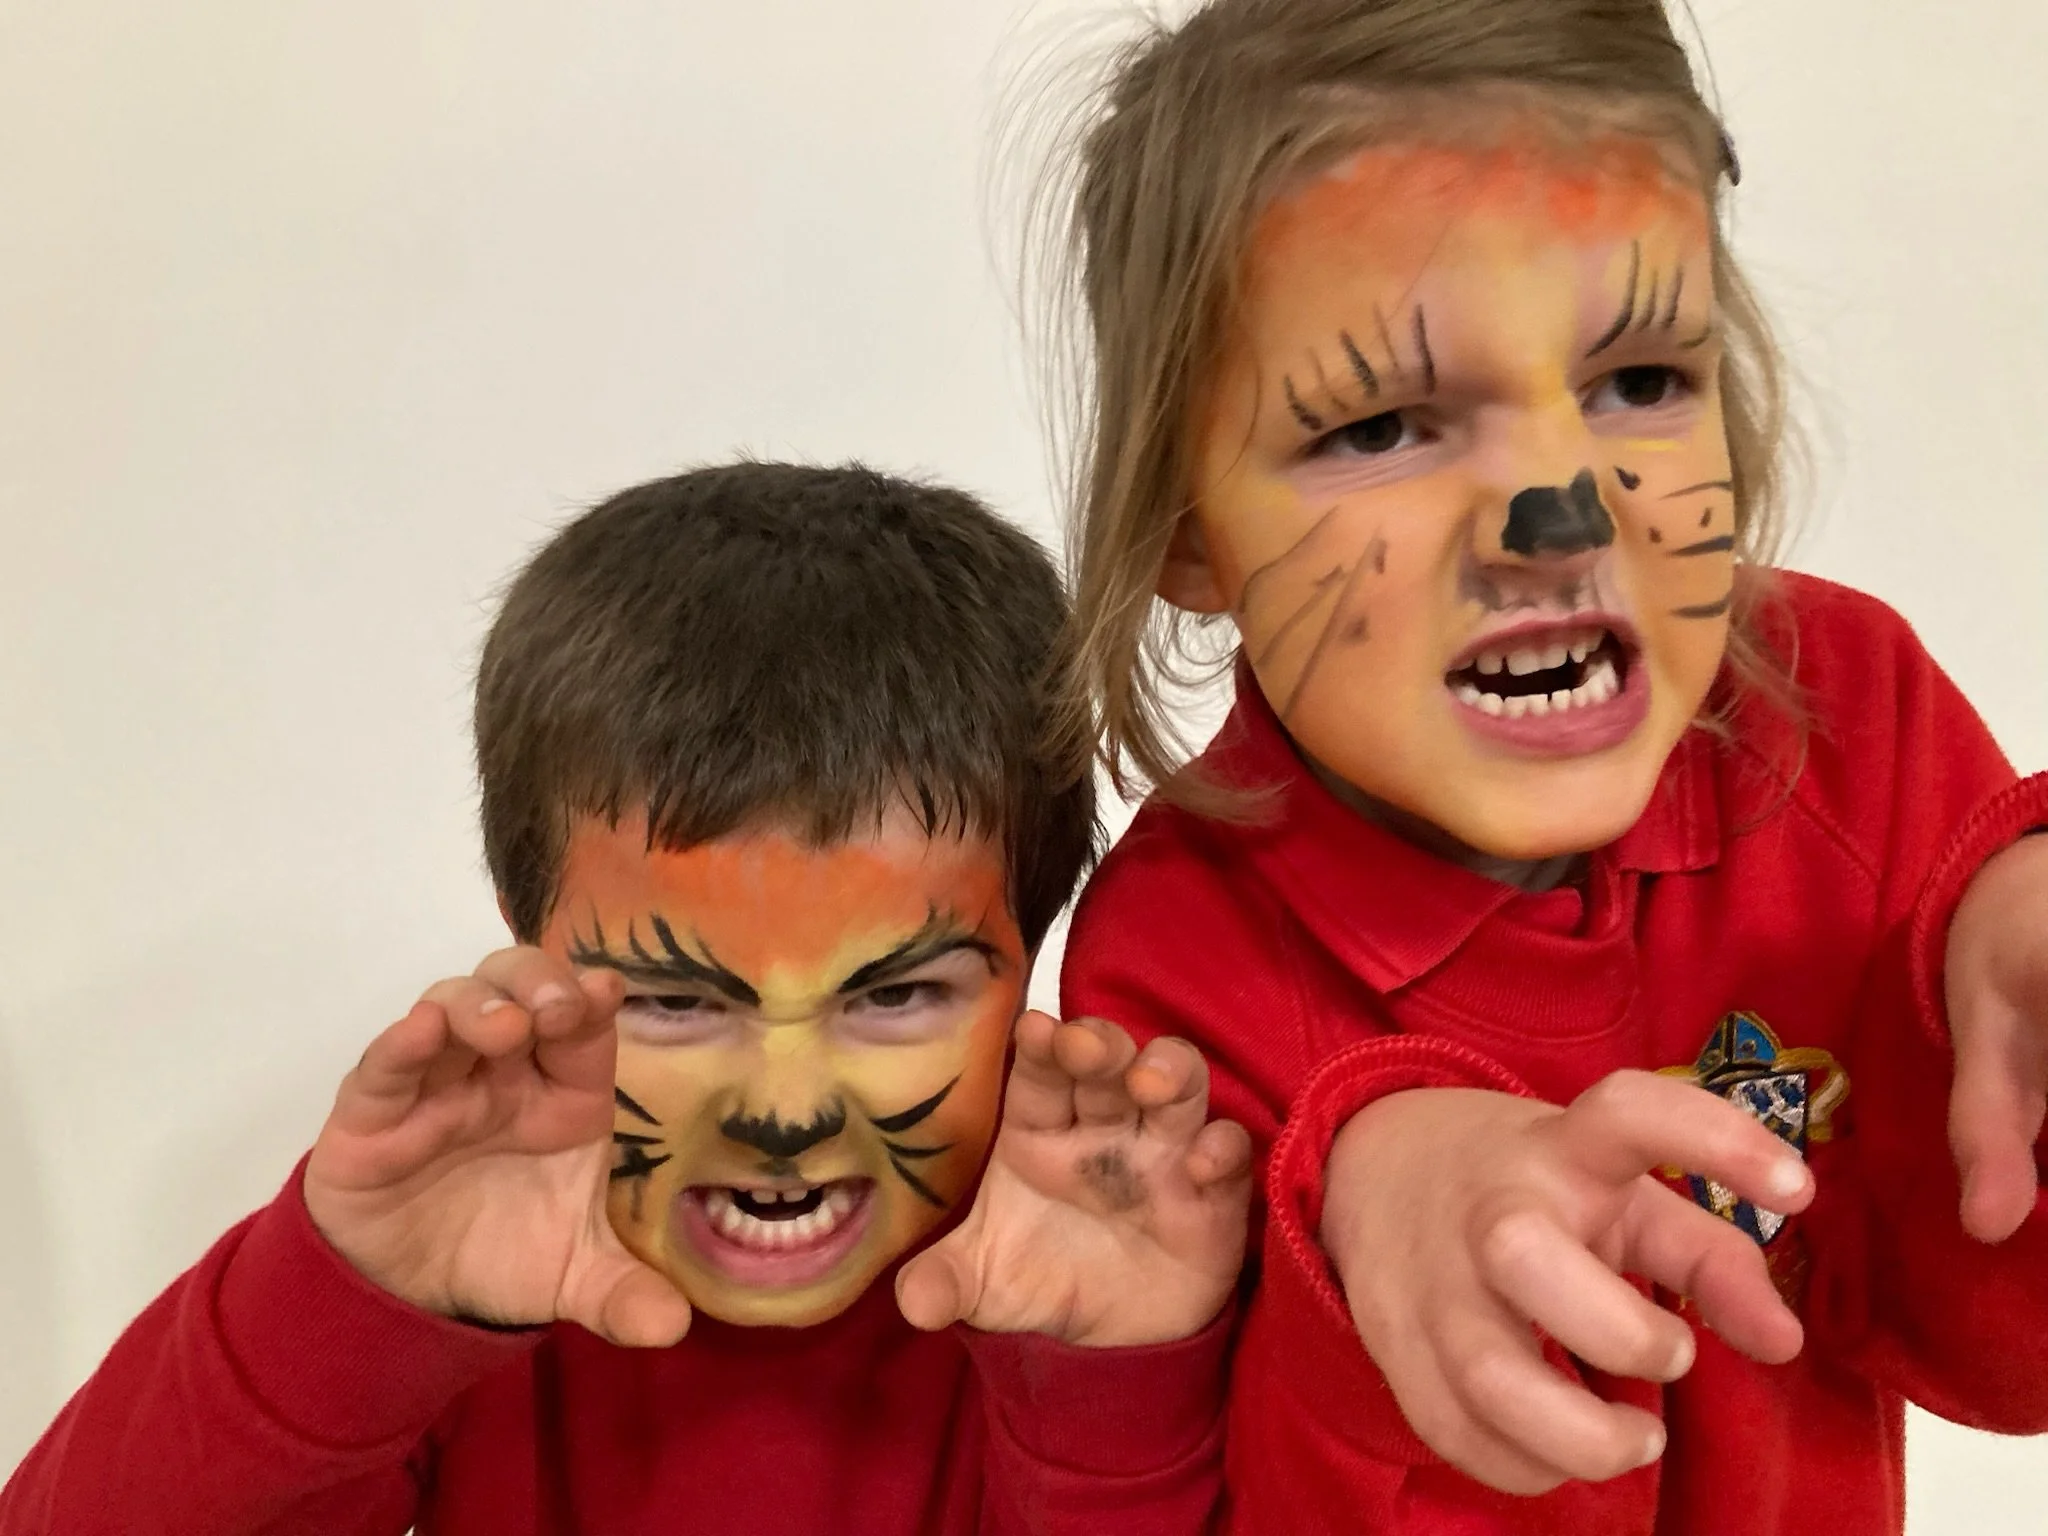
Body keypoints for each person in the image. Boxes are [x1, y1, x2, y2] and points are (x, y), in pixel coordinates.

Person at [1039, 2, 2048, 1531]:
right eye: (1381, 421)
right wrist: (1367, 1206)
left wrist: (2011, 962)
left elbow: (1994, 1347)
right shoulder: (1184, 961)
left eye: (1643, 380)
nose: (1559, 515)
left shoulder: (1850, 718)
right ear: (1186, 530)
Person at [1, 462, 1252, 1535]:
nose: (783, 1112)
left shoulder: (1091, 1278)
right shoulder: (479, 1268)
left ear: (1029, 958)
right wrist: (346, 1298)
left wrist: (1110, 1394)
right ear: (531, 966)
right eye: (669, 1000)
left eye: (894, 996)